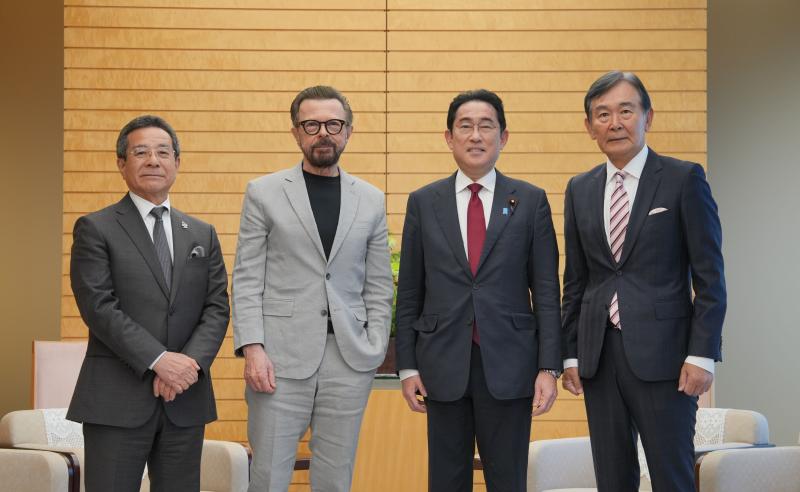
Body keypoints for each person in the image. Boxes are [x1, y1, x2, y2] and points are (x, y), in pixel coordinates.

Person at [561, 71, 726, 491]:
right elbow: (576, 280)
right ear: (589, 126)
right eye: (602, 114)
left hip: (667, 360)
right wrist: (570, 355)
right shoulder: (579, 188)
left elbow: (710, 277)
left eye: (625, 110)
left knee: (671, 476)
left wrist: (702, 355)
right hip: (599, 358)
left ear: (647, 117)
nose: (614, 122)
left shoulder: (683, 179)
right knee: (612, 479)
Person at [395, 89, 562, 492]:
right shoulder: (423, 202)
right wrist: (407, 366)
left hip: (510, 363)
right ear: (448, 137)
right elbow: (410, 293)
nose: (475, 135)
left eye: (486, 126)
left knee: (507, 480)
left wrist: (548, 366)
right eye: (464, 126)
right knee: (446, 481)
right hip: (442, 364)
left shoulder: (530, 200)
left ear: (503, 137)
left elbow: (545, 292)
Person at [232, 85, 393, 492]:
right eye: (312, 124)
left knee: (336, 476)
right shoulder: (263, 192)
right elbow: (247, 276)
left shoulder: (371, 200)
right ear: (296, 132)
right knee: (268, 474)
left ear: (348, 131)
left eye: (333, 124)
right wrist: (253, 348)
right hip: (278, 359)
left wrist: (374, 345)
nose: (324, 132)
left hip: (349, 358)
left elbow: (378, 284)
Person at [68, 115, 230, 491]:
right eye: (140, 152)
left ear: (177, 162)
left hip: (185, 401)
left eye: (162, 152)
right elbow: (99, 306)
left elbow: (217, 307)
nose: (153, 160)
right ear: (122, 164)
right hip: (116, 401)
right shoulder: (96, 227)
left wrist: (187, 367)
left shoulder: (201, 233)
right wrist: (160, 361)